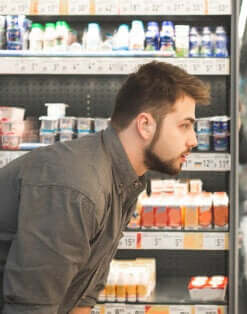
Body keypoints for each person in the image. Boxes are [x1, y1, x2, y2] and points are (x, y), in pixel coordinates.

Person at [0, 61, 210, 314]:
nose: (194, 140)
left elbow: (83, 288)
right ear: (145, 125)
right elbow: (31, 308)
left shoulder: (124, 179)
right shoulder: (77, 188)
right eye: (184, 125)